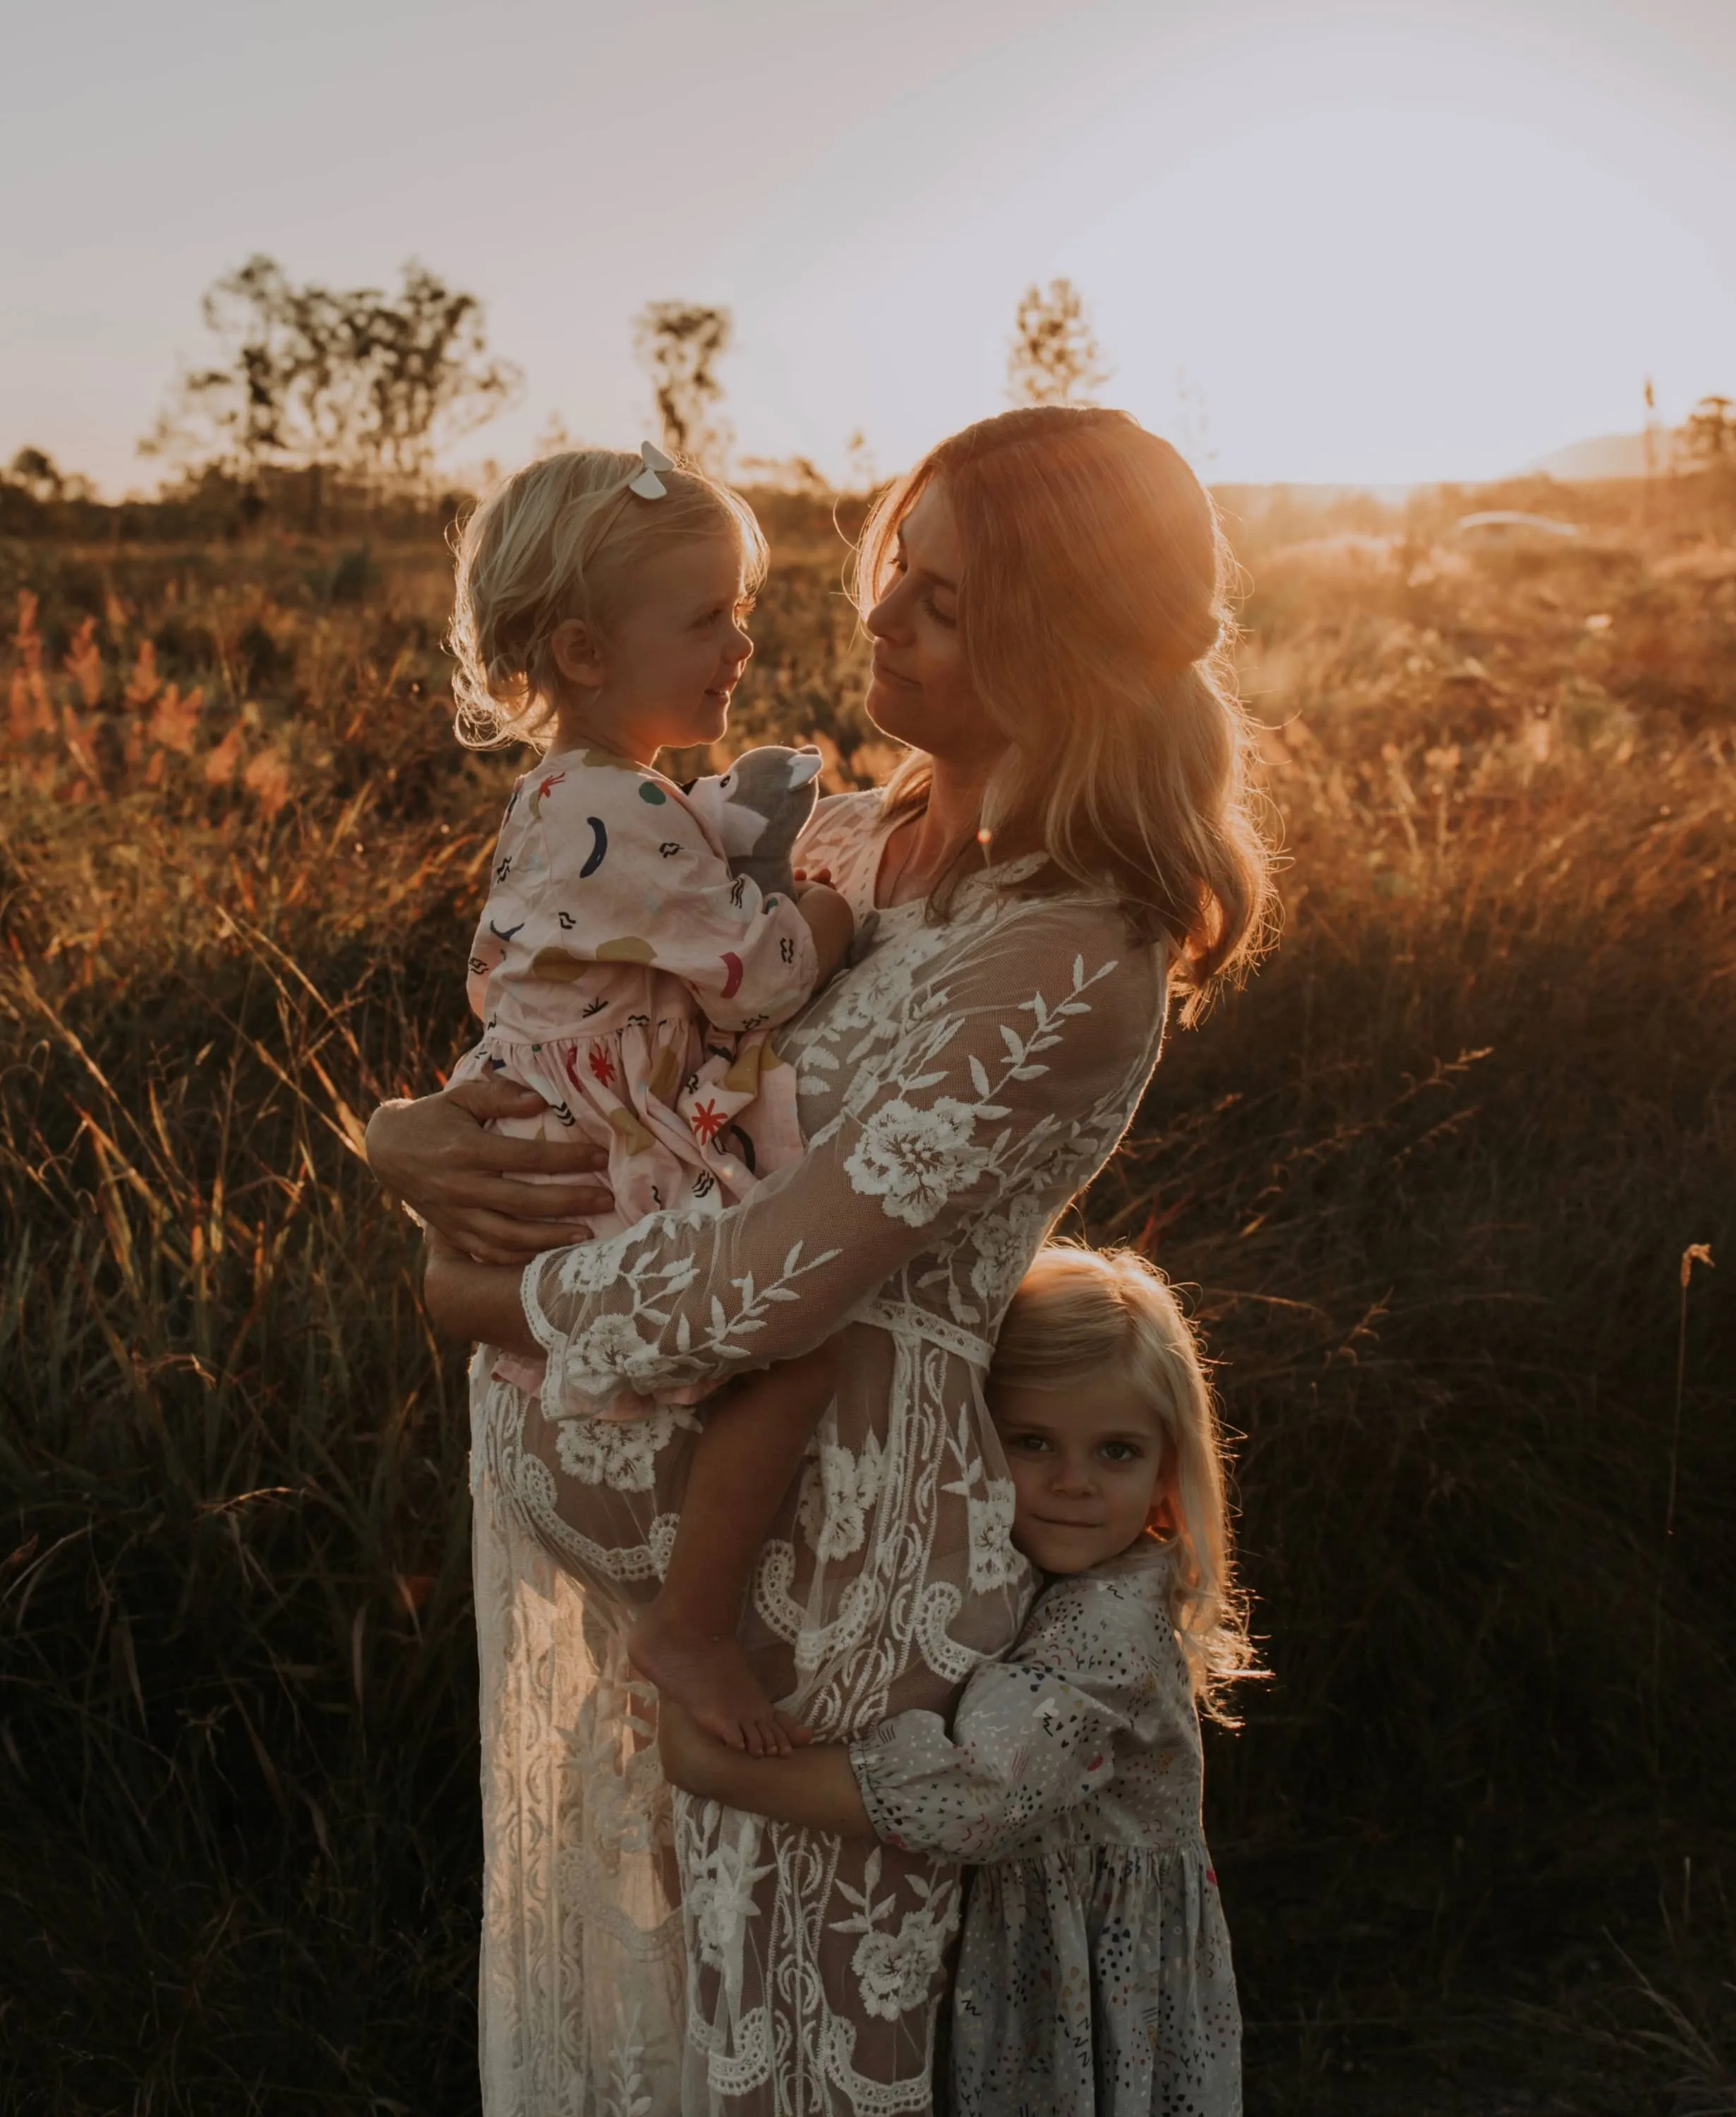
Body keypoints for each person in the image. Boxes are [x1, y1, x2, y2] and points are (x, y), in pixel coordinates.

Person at [370, 406, 1275, 2113]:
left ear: (1053, 645)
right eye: (889, 573)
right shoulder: (841, 841)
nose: (874, 621)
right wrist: (397, 1136)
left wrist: (475, 1294)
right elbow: (603, 1023)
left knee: (783, 2058)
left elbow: (779, 1280)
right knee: (651, 2020)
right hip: (648, 1544)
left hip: (839, 1581)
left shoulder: (1077, 953)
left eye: (932, 602)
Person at [442, 442, 857, 1754]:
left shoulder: (554, 796)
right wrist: (829, 917)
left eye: (742, 609)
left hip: (543, 1093)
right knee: (787, 1347)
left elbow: (497, 965)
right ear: (582, 651)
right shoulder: (629, 803)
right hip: (607, 1134)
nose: (740, 641)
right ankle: (693, 1618)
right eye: (706, 617)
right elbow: (749, 975)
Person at [658, 1241, 1250, 2116]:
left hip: (1093, 1995)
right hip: (1042, 1966)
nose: (1072, 1484)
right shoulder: (1031, 1580)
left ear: (1167, 1471)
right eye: (1032, 1441)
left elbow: (983, 1795)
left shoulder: (1109, 1623)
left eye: (1116, 1452)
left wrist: (722, 1770)